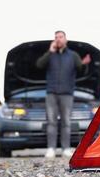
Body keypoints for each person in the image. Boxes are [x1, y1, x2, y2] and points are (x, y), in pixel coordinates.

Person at [36, 30, 91, 158]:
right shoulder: (50, 55)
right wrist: (50, 51)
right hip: (51, 93)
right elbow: (39, 65)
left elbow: (81, 69)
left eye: (60, 37)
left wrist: (84, 64)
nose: (58, 39)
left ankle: (66, 149)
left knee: (66, 122)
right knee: (51, 122)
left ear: (65, 39)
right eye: (56, 37)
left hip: (67, 94)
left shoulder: (73, 55)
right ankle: (51, 149)